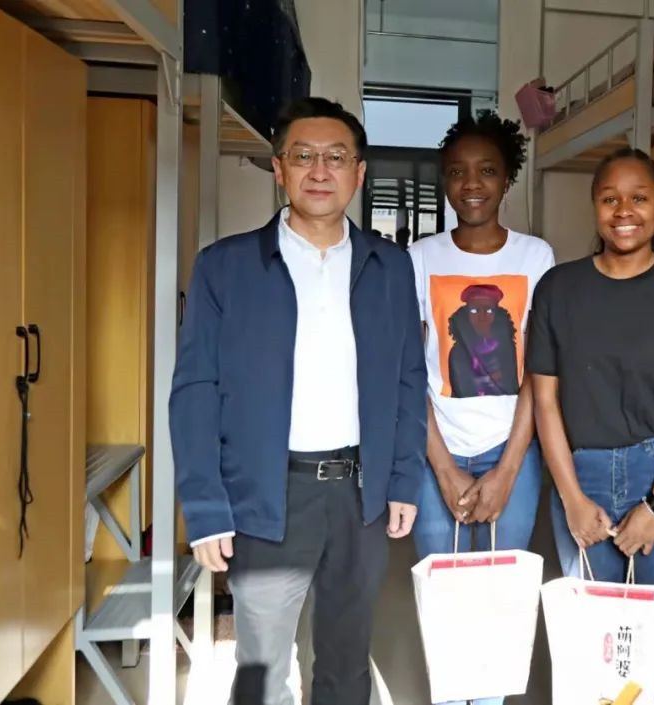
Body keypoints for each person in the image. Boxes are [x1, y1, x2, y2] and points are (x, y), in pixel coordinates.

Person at [170, 96, 426, 705]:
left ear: (358, 173)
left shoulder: (389, 267)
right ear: (279, 168)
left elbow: (408, 380)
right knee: (262, 668)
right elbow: (195, 389)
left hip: (359, 497)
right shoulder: (226, 267)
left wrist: (402, 481)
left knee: (345, 661)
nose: (320, 171)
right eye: (303, 156)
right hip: (265, 493)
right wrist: (205, 506)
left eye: (335, 157)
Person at [526, 147, 654, 702]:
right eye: (610, 199)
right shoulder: (559, 288)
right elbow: (545, 401)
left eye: (639, 198)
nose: (624, 211)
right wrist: (571, 499)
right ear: (594, 206)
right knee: (595, 651)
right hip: (580, 476)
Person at [408, 112, 554, 705]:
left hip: (511, 451)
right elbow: (407, 370)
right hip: (434, 450)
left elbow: (539, 370)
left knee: (500, 600)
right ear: (444, 180)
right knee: (443, 599)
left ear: (507, 179)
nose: (472, 184)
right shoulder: (419, 257)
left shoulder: (535, 256)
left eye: (487, 171)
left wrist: (508, 469)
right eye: (458, 172)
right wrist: (443, 467)